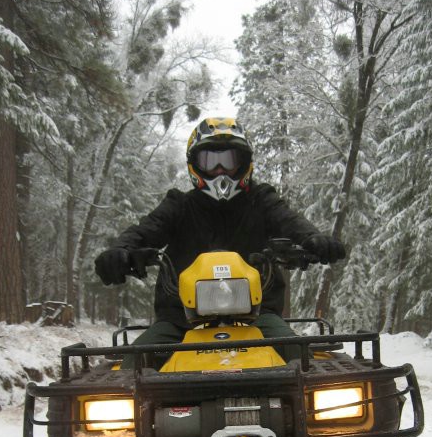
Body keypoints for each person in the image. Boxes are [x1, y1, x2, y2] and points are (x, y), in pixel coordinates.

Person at [95, 116, 345, 364]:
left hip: (258, 315)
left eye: (229, 160)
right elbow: (147, 229)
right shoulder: (179, 205)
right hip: (180, 319)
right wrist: (122, 250)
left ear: (244, 163)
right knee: (133, 368)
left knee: (302, 361)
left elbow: (289, 220)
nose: (220, 170)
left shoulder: (261, 200)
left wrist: (312, 238)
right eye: (210, 161)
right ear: (195, 165)